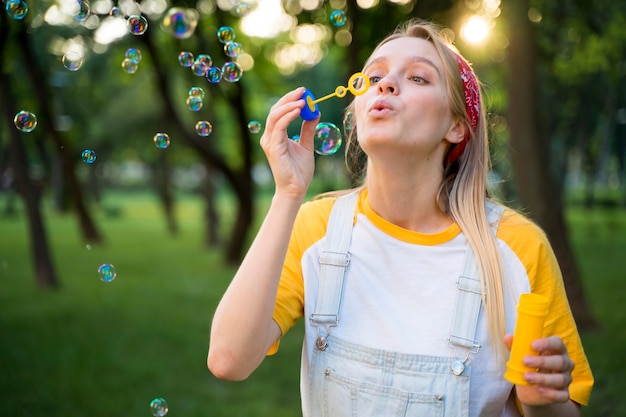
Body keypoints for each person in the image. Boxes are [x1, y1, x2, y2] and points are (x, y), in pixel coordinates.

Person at [207, 18, 593, 417]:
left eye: (419, 78)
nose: (385, 84)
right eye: (373, 76)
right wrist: (288, 194)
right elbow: (229, 359)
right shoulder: (319, 228)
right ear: (357, 116)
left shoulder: (517, 247)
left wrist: (542, 403)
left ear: (458, 126)